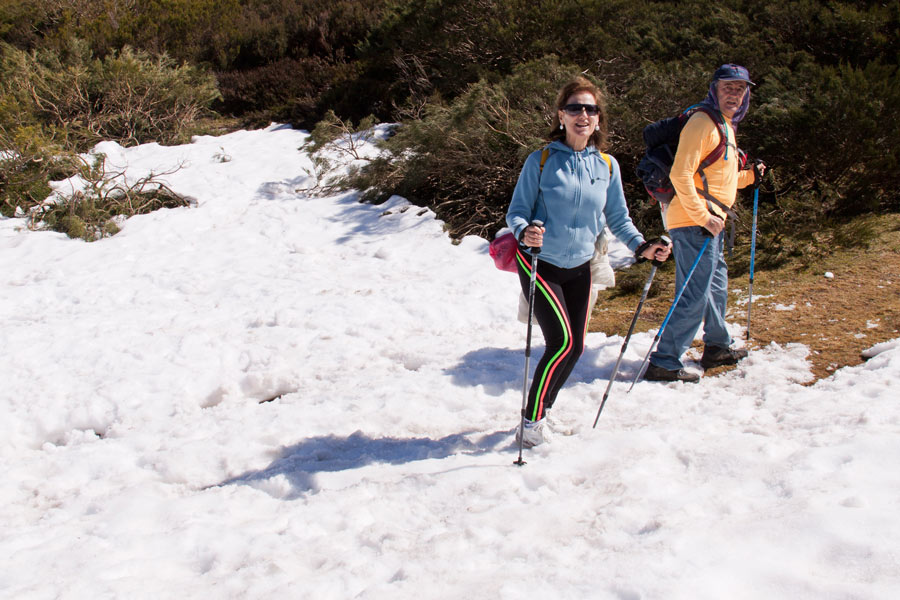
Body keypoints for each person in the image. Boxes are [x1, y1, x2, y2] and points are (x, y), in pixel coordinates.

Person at [507, 76, 670, 447]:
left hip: (580, 266)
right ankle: (529, 423)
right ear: (561, 115)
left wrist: (641, 245)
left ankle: (541, 412)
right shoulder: (542, 160)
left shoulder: (608, 167)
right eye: (575, 108)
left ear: (599, 119)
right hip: (539, 263)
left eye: (590, 109)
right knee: (561, 342)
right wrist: (524, 232)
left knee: (576, 346)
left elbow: (618, 218)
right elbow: (516, 213)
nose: (583, 114)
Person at [645, 64, 766, 383]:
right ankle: (665, 360)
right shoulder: (703, 122)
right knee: (695, 292)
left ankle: (717, 346)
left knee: (714, 285)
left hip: (708, 221)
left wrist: (752, 176)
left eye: (740, 89)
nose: (735, 94)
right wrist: (703, 217)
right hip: (694, 220)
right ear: (714, 89)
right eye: (728, 87)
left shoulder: (725, 126)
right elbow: (679, 173)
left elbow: (723, 179)